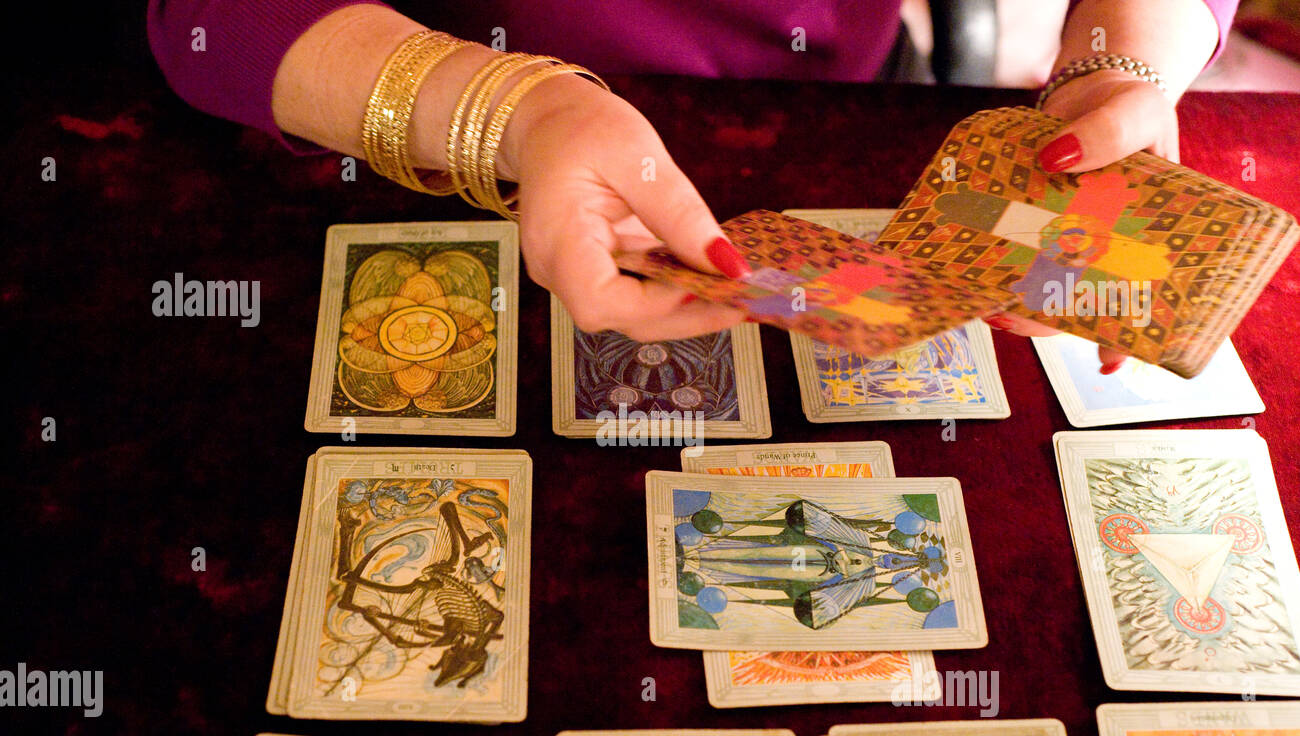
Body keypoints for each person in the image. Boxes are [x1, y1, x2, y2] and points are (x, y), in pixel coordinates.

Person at [149, 0, 1237, 372]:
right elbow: (209, 22)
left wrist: (1114, 66)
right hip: (428, 128)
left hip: (834, 107)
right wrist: (515, 115)